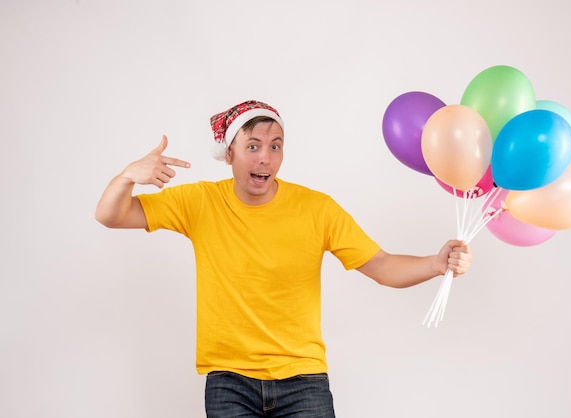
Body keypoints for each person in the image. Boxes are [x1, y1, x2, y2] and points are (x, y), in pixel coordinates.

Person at [95, 100, 472, 417]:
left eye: (275, 146)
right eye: (254, 146)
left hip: (303, 381)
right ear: (229, 153)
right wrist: (127, 176)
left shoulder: (317, 208)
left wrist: (436, 264)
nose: (265, 158)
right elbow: (110, 215)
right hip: (229, 381)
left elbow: (382, 265)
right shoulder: (200, 202)